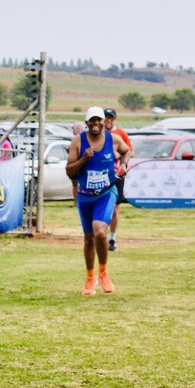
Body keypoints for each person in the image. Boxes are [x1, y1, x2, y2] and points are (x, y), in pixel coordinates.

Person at [67, 107, 132, 295]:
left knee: (100, 232)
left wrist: (124, 164)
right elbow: (70, 171)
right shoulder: (78, 142)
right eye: (92, 121)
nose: (96, 124)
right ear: (86, 123)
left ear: (104, 122)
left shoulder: (114, 140)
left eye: (99, 120)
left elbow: (127, 151)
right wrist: (84, 160)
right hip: (85, 196)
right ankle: (90, 278)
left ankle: (104, 273)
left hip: (106, 193)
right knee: (88, 239)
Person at [104, 108, 133, 251]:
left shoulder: (121, 134)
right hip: (101, 174)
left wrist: (122, 160)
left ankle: (112, 238)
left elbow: (129, 151)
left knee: (115, 208)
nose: (108, 121)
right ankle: (100, 234)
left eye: (111, 118)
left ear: (115, 119)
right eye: (106, 118)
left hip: (117, 174)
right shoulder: (98, 133)